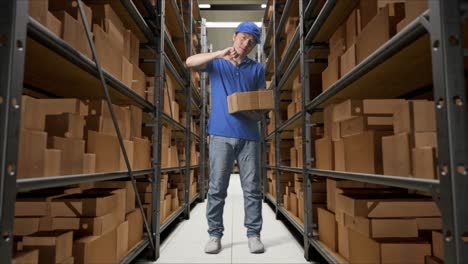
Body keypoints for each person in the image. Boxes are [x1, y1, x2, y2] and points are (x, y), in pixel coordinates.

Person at [186, 21, 266, 254]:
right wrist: (219, 53)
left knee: (252, 188)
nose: (246, 44)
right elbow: (189, 62)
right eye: (243, 38)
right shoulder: (217, 63)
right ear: (234, 37)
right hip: (221, 133)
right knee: (217, 187)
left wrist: (257, 111)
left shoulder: (257, 69)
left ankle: (253, 234)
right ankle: (214, 235)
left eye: (251, 42)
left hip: (249, 135)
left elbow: (261, 100)